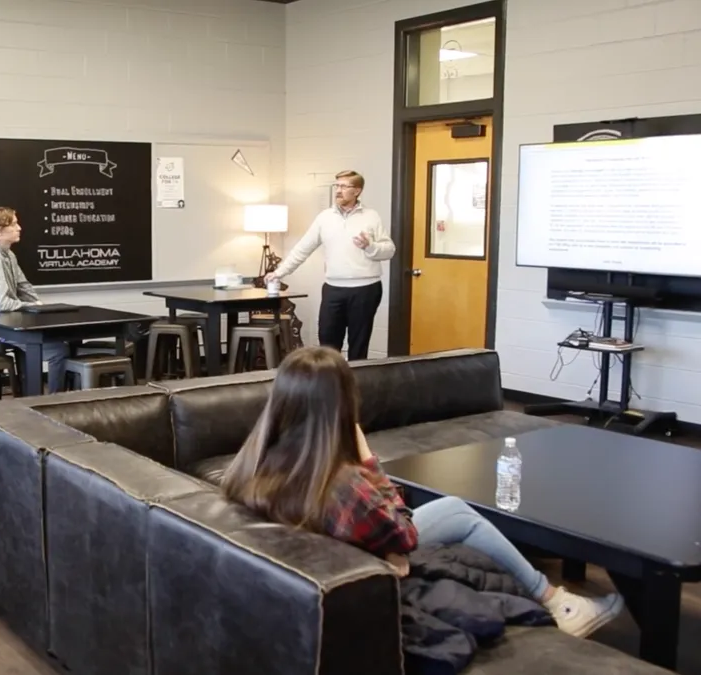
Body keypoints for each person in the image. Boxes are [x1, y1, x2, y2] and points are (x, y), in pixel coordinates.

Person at [220, 346, 624, 639]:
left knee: (451, 512)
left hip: (326, 550)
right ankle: (556, 599)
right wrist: (368, 463)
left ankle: (551, 595)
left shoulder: (254, 459)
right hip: (349, 559)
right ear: (342, 404)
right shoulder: (341, 485)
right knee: (456, 512)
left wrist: (385, 551)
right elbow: (404, 533)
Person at [265, 170, 394, 361]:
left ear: (357, 191)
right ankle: (328, 386)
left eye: (344, 186)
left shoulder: (371, 216)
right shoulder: (324, 218)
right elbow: (302, 249)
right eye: (337, 186)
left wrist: (370, 246)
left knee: (359, 344)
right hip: (334, 289)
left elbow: (389, 250)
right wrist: (279, 272)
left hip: (366, 290)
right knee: (327, 343)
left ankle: (354, 385)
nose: (338, 190)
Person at [0, 206, 69, 394]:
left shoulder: (8, 254)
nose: (20, 228)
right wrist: (32, 306)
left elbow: (23, 286)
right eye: (14, 224)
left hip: (12, 322)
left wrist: (39, 306)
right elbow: (0, 304)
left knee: (61, 343)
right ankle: (54, 403)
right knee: (60, 351)